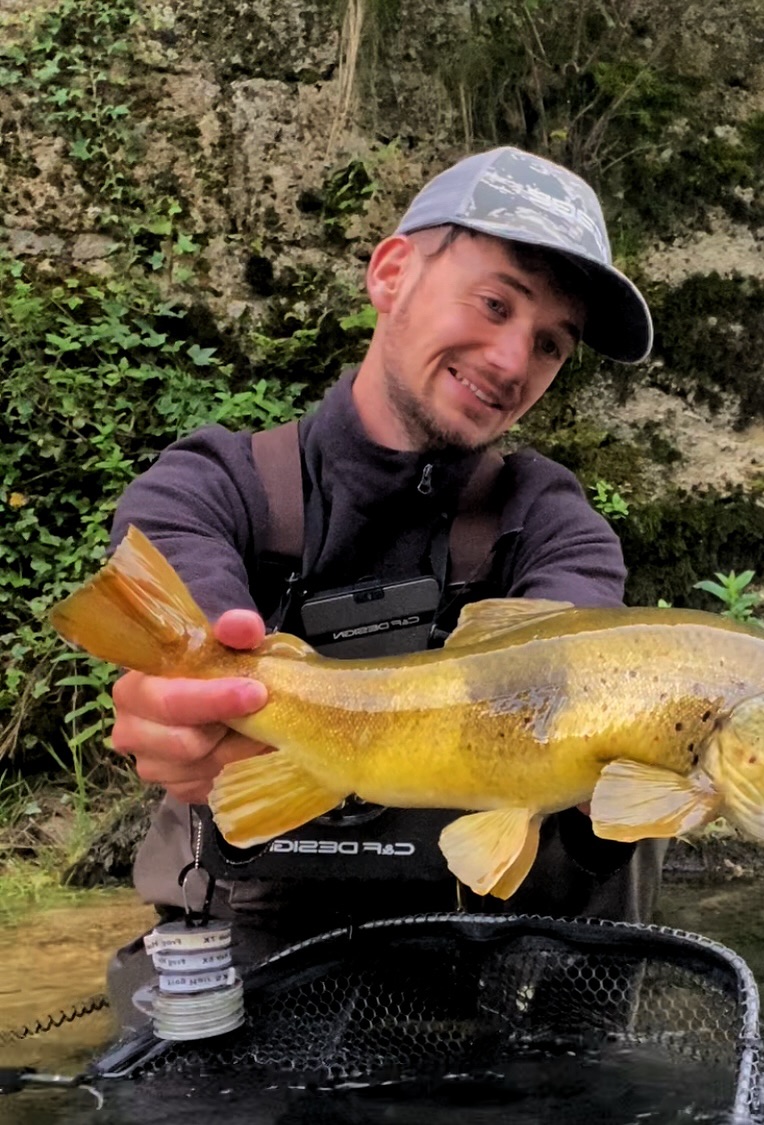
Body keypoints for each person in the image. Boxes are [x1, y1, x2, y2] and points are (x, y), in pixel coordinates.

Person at [103, 146, 663, 1028]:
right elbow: (170, 575)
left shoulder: (552, 521)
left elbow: (585, 640)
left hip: (477, 979)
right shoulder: (213, 486)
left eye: (551, 343)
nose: (514, 359)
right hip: (235, 984)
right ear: (392, 273)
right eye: (495, 302)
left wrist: (626, 791)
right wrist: (193, 701)